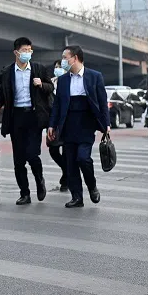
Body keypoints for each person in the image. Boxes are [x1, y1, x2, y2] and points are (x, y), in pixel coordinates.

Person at [0, 37, 54, 205]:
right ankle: (24, 193)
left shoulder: (39, 69)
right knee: (18, 159)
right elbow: (1, 94)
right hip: (16, 117)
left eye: (29, 51)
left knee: (32, 155)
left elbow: (51, 88)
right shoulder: (7, 72)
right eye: (24, 51)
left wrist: (41, 84)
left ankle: (40, 181)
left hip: (34, 117)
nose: (27, 53)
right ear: (16, 52)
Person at [47, 46, 110, 208]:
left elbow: (102, 102)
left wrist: (106, 124)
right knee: (71, 163)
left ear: (75, 58)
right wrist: (52, 125)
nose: (62, 61)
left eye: (65, 57)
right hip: (68, 124)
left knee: (83, 158)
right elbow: (57, 105)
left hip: (86, 124)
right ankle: (77, 197)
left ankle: (92, 186)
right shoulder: (62, 80)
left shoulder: (95, 76)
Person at [48, 59, 68, 191]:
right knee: (53, 150)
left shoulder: (69, 80)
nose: (57, 68)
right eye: (56, 66)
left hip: (66, 121)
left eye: (60, 66)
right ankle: (67, 171)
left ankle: (66, 180)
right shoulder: (51, 82)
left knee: (67, 152)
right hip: (52, 122)